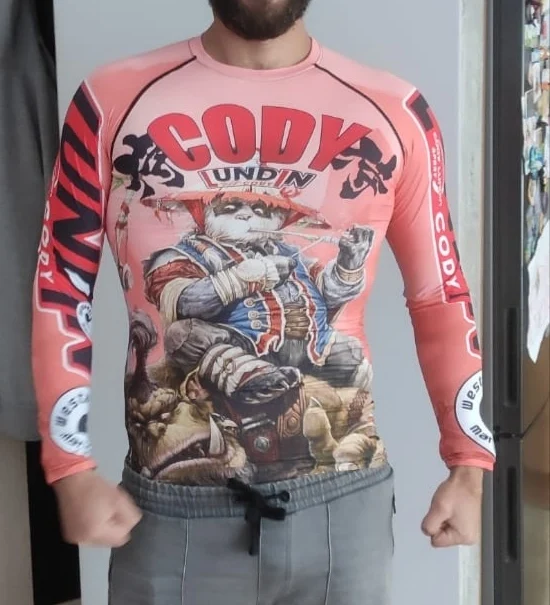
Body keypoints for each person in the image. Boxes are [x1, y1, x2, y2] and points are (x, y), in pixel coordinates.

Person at [31, 1, 496, 603]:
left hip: (342, 507)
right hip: (175, 505)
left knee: (338, 359)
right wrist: (69, 466)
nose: (252, 218)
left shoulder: (397, 111)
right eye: (236, 208)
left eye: (264, 211)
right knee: (189, 336)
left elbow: (439, 295)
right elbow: (62, 287)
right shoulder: (110, 102)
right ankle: (243, 377)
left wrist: (469, 464)